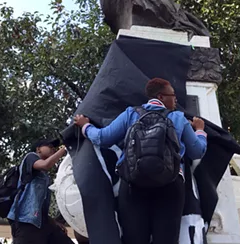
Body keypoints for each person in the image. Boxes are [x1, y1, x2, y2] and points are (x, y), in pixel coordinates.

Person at [74, 78, 207, 244]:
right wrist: (200, 131)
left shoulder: (131, 114)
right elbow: (197, 151)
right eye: (173, 95)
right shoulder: (178, 118)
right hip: (171, 185)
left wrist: (85, 126)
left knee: (134, 239)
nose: (176, 99)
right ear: (161, 96)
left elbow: (103, 138)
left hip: (133, 184)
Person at [7, 138, 74, 244]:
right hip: (25, 221)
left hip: (42, 222)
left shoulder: (44, 176)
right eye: (50, 146)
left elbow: (39, 205)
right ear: (38, 149)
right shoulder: (30, 157)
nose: (53, 149)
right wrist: (64, 148)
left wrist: (53, 222)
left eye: (54, 148)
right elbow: (45, 165)